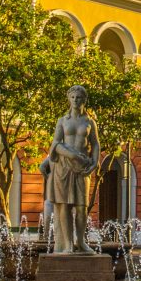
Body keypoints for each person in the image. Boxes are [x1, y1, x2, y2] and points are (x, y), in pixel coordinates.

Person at [43, 84, 99, 254]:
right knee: (65, 206)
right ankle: (67, 244)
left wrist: (94, 163)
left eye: (79, 97)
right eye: (72, 97)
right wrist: (71, 155)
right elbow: (55, 144)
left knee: (82, 207)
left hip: (82, 168)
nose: (75, 100)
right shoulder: (62, 121)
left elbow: (95, 144)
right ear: (69, 99)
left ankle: (80, 242)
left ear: (84, 100)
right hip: (63, 167)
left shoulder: (90, 122)